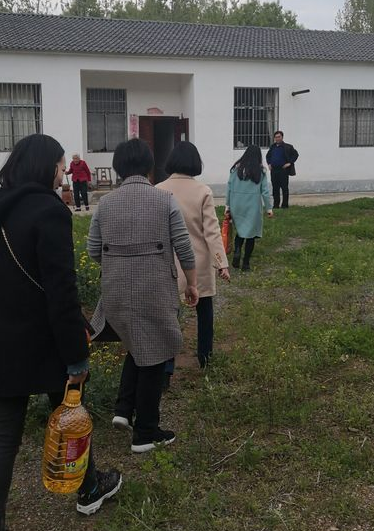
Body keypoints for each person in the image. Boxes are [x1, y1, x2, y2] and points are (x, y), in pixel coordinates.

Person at [0, 134, 121, 531]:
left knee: (3, 437)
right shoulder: (49, 211)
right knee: (70, 411)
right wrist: (77, 353)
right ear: (44, 168)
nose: (63, 172)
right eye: (59, 165)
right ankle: (88, 490)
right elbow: (60, 290)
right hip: (46, 339)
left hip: (0, 343)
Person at [87, 138, 199, 453]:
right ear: (150, 166)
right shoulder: (165, 200)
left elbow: (93, 250)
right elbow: (184, 247)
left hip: (116, 292)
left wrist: (120, 265)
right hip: (155, 290)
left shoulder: (105, 204)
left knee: (138, 345)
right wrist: (192, 284)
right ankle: (146, 433)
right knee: (156, 354)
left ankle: (123, 409)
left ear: (117, 168)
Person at [157, 142, 230, 384]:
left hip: (167, 262)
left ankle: (166, 368)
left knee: (168, 317)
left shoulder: (158, 190)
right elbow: (212, 232)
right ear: (196, 163)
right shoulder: (203, 191)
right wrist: (221, 263)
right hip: (198, 263)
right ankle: (205, 358)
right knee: (205, 312)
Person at [226, 145, 273, 271]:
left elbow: (229, 188)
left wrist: (227, 205)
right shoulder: (261, 171)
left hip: (237, 204)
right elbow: (265, 192)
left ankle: (237, 251)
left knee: (240, 231)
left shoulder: (236, 169)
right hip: (252, 206)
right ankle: (246, 262)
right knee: (251, 234)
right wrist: (269, 208)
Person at [266, 130, 299, 209]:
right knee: (275, 188)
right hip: (274, 170)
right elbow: (268, 156)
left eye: (279, 137)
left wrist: (289, 163)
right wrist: (269, 164)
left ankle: (284, 205)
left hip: (283, 170)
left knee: (284, 188)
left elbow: (295, 155)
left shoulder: (288, 147)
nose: (277, 139)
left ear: (282, 137)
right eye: (276, 137)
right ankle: (276, 205)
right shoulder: (272, 147)